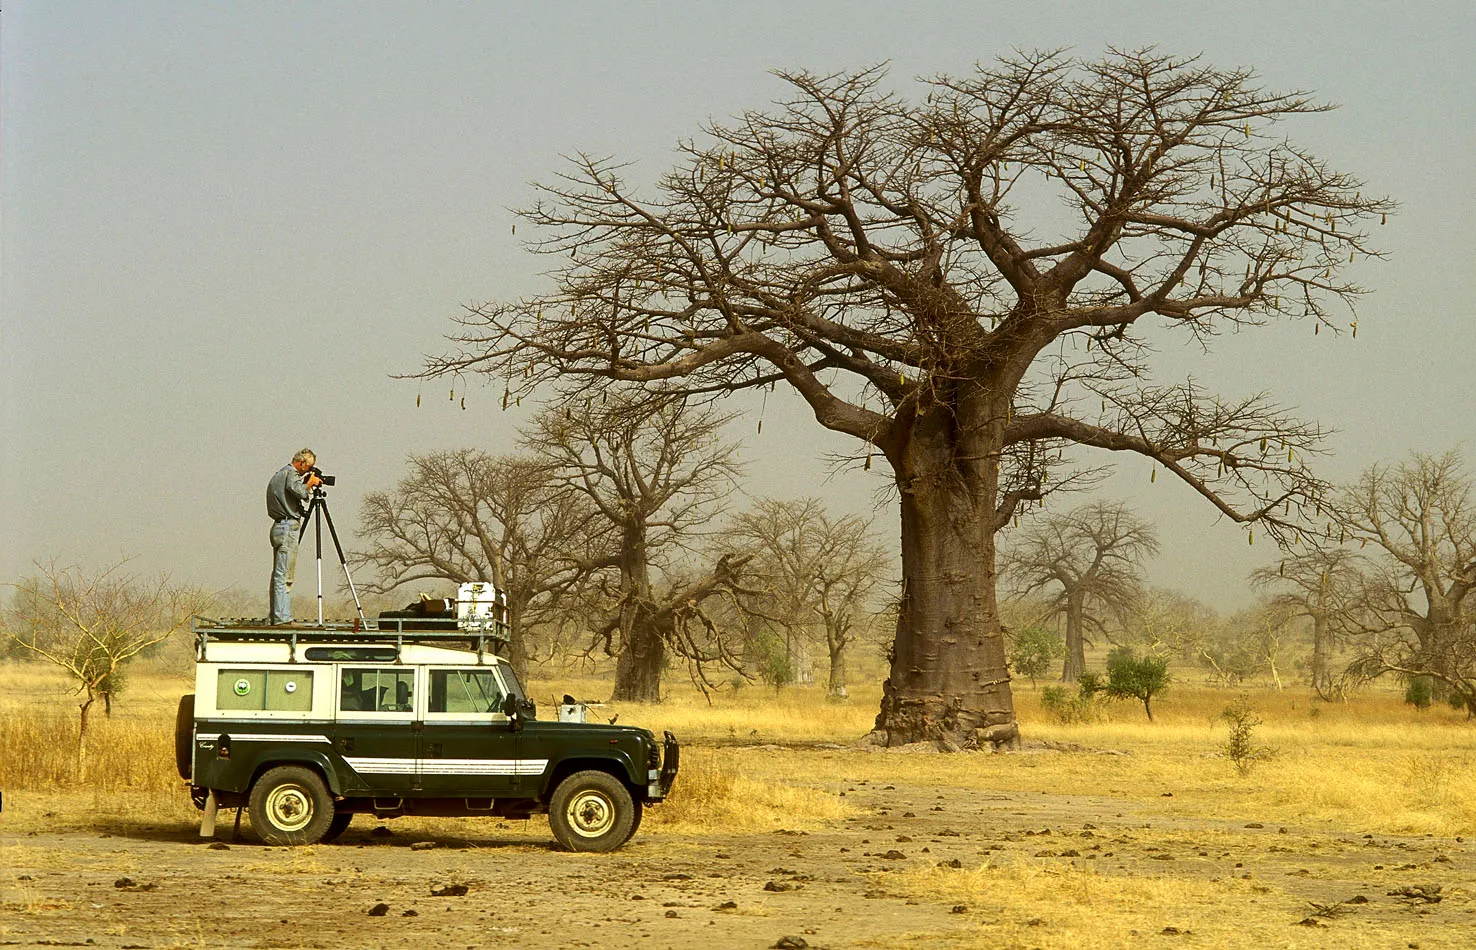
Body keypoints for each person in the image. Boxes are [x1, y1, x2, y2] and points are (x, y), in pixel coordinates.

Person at [266, 448, 321, 624]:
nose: (308, 470)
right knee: (284, 576)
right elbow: (299, 491)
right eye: (309, 466)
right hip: (288, 527)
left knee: (278, 574)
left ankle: (277, 614)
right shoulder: (290, 474)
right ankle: (282, 617)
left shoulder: (279, 474)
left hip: (279, 526)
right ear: (302, 462)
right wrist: (309, 484)